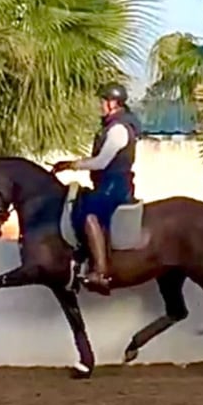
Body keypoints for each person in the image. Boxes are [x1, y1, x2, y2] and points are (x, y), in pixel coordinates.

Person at [52, 83, 142, 295]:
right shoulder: (111, 126)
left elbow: (101, 162)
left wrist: (72, 165)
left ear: (113, 103)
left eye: (102, 101)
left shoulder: (119, 129)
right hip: (106, 183)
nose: (100, 105)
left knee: (90, 215)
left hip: (115, 184)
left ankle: (100, 272)